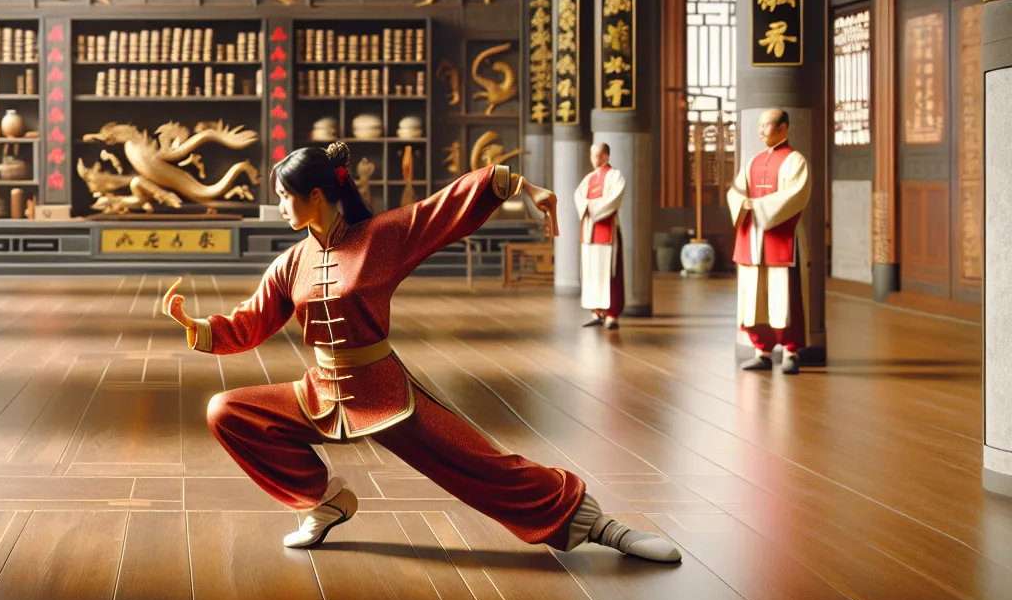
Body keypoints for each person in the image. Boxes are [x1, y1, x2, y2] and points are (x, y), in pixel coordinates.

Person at [160, 142, 680, 562]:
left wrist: (521, 186)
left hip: (385, 395)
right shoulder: (291, 262)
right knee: (227, 411)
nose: (277, 207)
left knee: (482, 466)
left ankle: (601, 527)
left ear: (315, 195)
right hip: (318, 393)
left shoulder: (381, 238)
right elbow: (250, 323)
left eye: (283, 196)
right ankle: (324, 502)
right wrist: (195, 325)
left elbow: (443, 208)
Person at [728, 108, 811, 374]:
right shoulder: (753, 162)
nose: (760, 130)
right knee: (754, 295)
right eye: (760, 126)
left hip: (781, 238)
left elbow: (795, 196)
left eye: (766, 126)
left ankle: (791, 351)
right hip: (753, 238)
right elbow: (736, 193)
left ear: (783, 128)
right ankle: (761, 350)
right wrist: (744, 203)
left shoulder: (795, 161)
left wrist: (758, 206)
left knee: (784, 295)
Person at [573, 142, 625, 330]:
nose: (594, 159)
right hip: (589, 232)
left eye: (597, 155)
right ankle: (596, 312)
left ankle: (612, 314)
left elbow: (614, 199)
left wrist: (592, 206)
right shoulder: (589, 178)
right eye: (592, 155)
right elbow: (579, 197)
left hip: (607, 230)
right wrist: (587, 205)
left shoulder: (615, 176)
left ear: (605, 156)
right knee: (591, 271)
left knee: (609, 272)